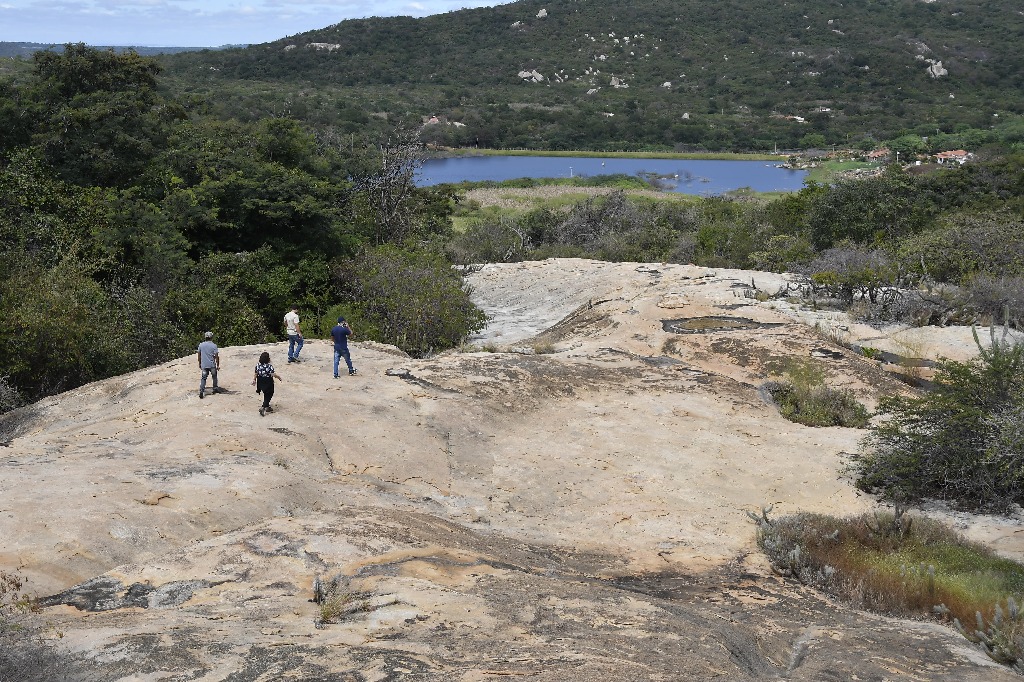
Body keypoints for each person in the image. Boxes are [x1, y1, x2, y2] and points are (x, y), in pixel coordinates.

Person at [252, 351, 282, 416]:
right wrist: (278, 377)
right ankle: (263, 407)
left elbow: (256, 373)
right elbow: (273, 374)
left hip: (260, 381)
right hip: (268, 381)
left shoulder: (258, 365)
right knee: (270, 393)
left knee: (266, 393)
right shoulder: (269, 366)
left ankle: (267, 407)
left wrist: (254, 380)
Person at [197, 331, 220, 399]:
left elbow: (199, 355)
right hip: (212, 365)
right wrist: (218, 365)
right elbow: (216, 356)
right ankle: (215, 388)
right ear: (211, 337)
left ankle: (202, 390)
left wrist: (200, 363)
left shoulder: (201, 345)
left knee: (203, 378)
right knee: (214, 376)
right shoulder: (214, 345)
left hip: (204, 365)